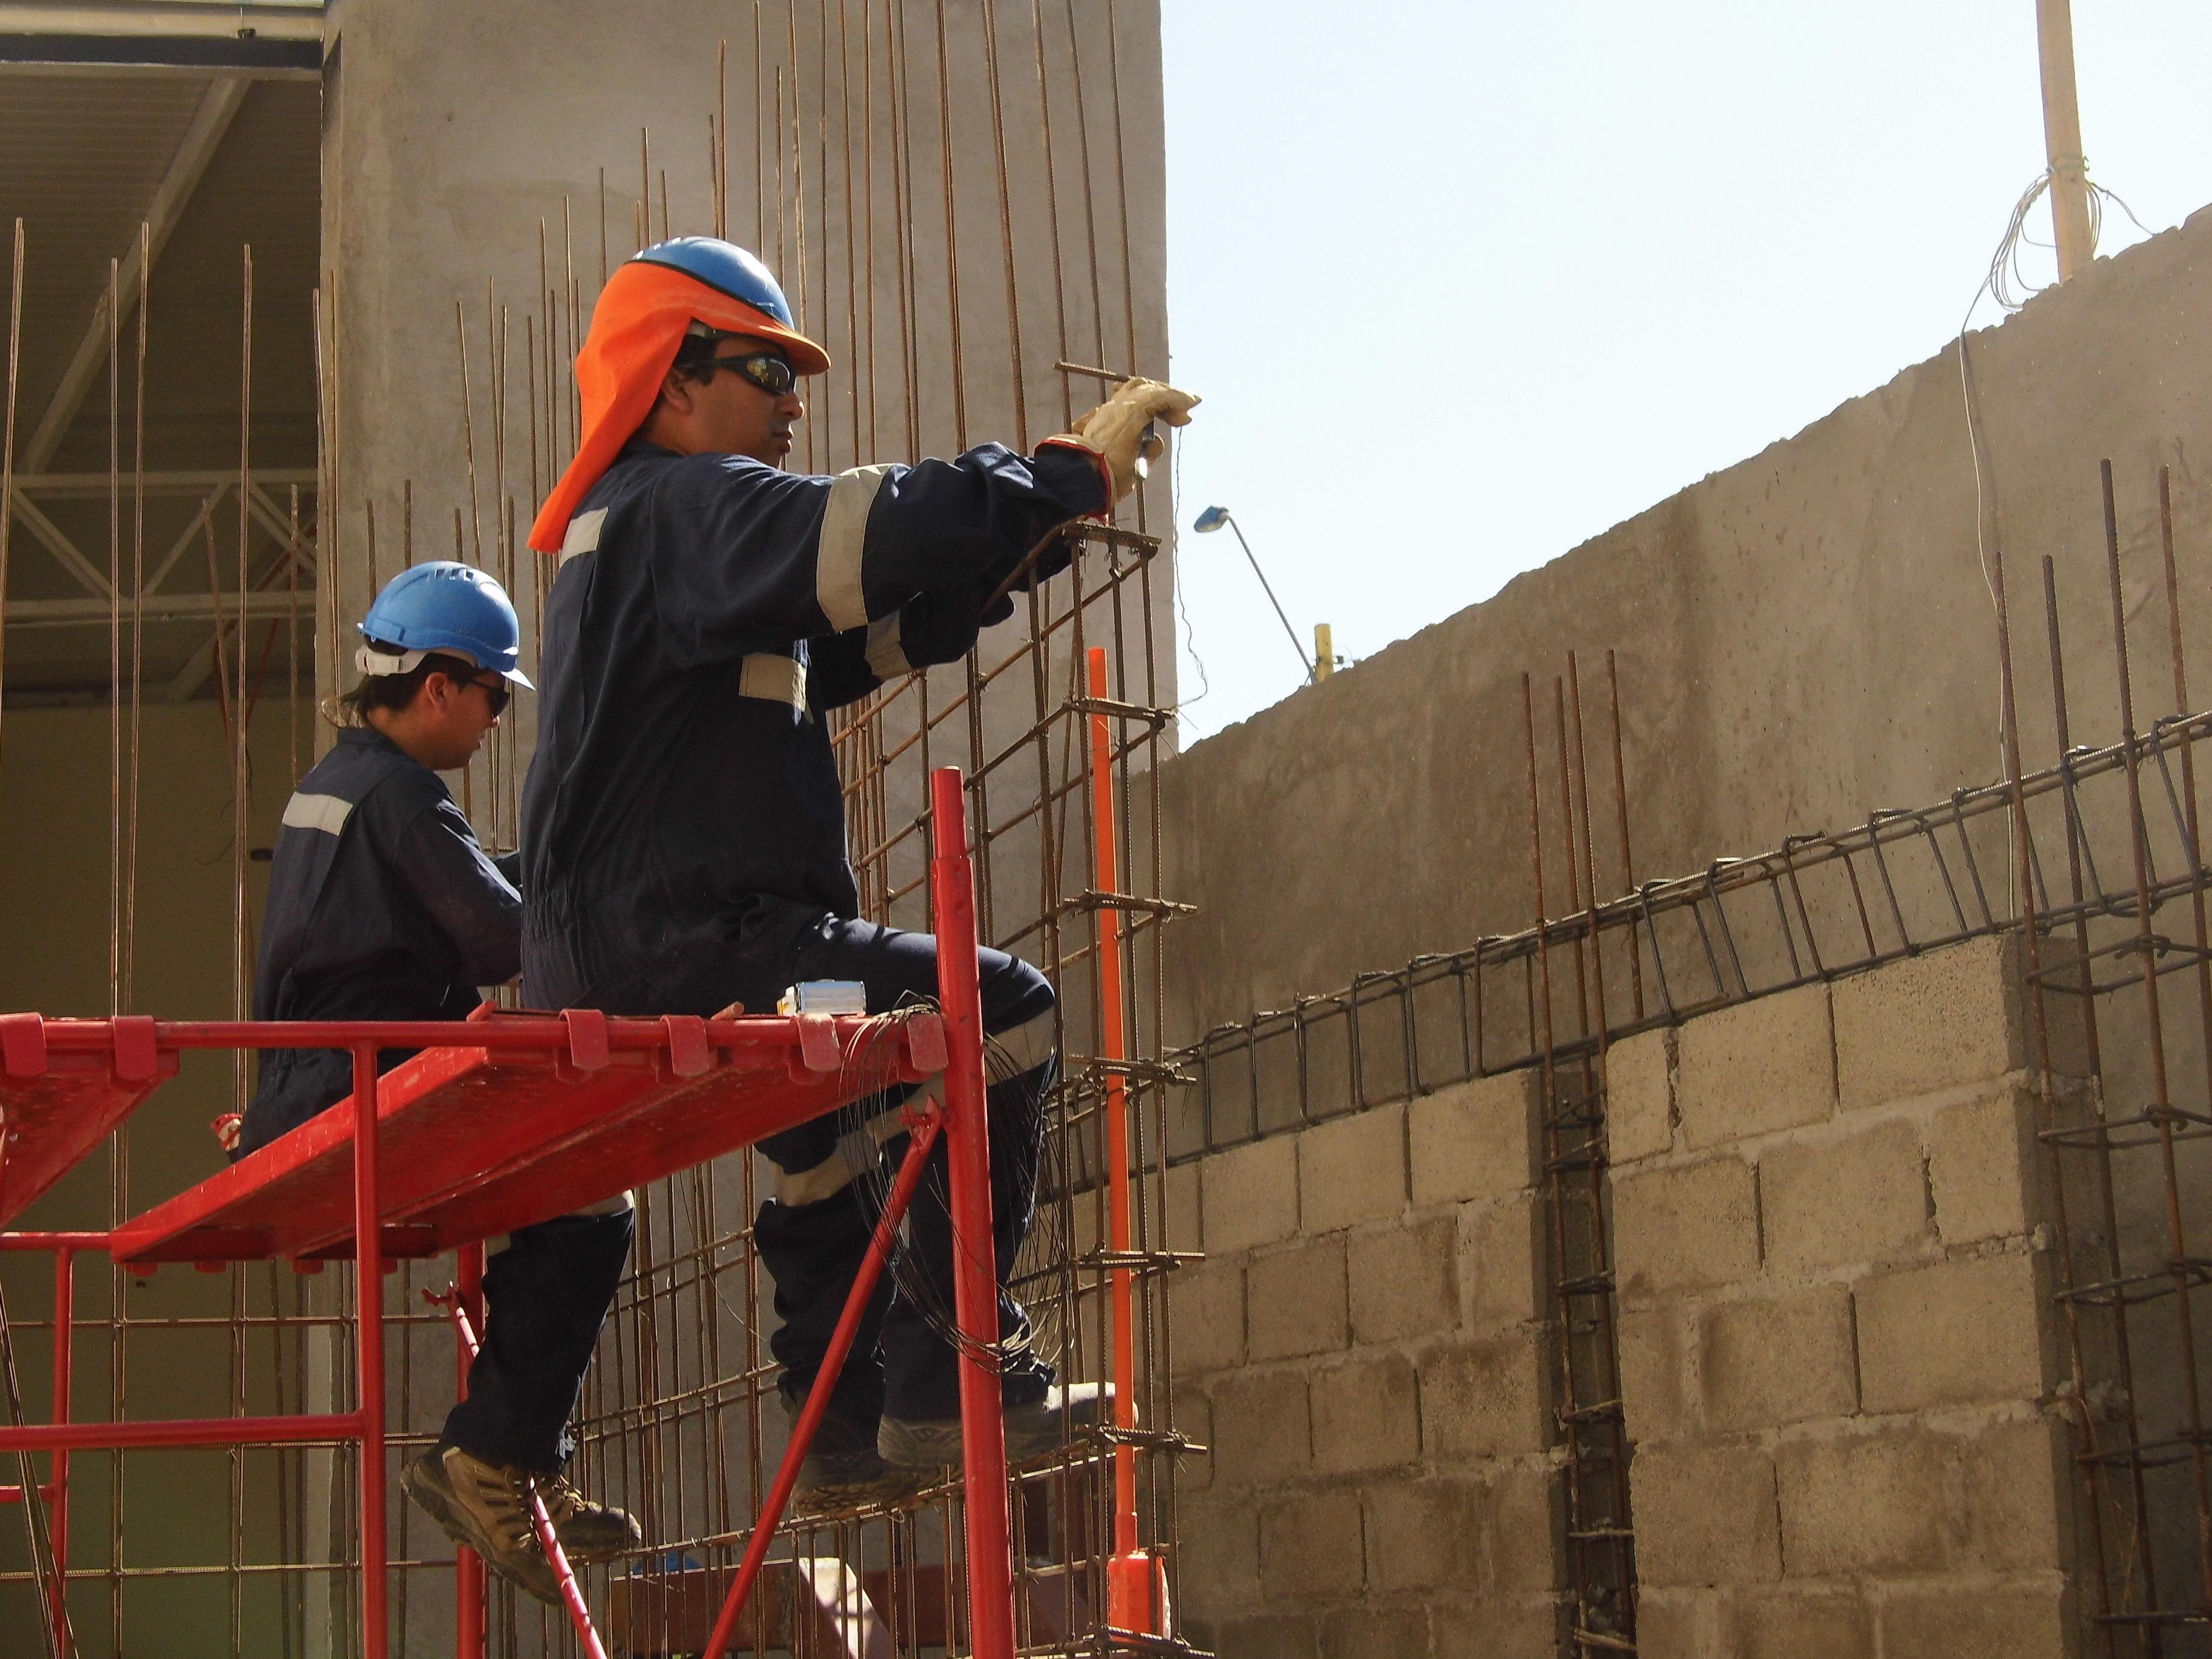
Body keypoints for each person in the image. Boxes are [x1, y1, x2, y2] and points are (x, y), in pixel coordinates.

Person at [520, 236, 1195, 1507]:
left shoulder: (649, 545)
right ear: (673, 381)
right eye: (768, 372)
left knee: (821, 1123)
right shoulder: (683, 502)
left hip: (647, 948)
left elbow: (871, 628)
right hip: (699, 936)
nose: (793, 403)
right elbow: (866, 530)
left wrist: (1038, 532)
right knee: (999, 1010)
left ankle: (842, 1417)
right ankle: (953, 1375)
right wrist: (1059, 473)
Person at [241, 560, 641, 1601]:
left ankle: (507, 1450)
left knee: (547, 1184)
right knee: (594, 1189)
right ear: (439, 686)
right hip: (363, 1085)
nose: (494, 723)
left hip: (309, 1080)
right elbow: (506, 939)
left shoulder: (333, 786)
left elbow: (440, 902)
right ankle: (495, 1454)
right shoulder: (409, 800)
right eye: (493, 697)